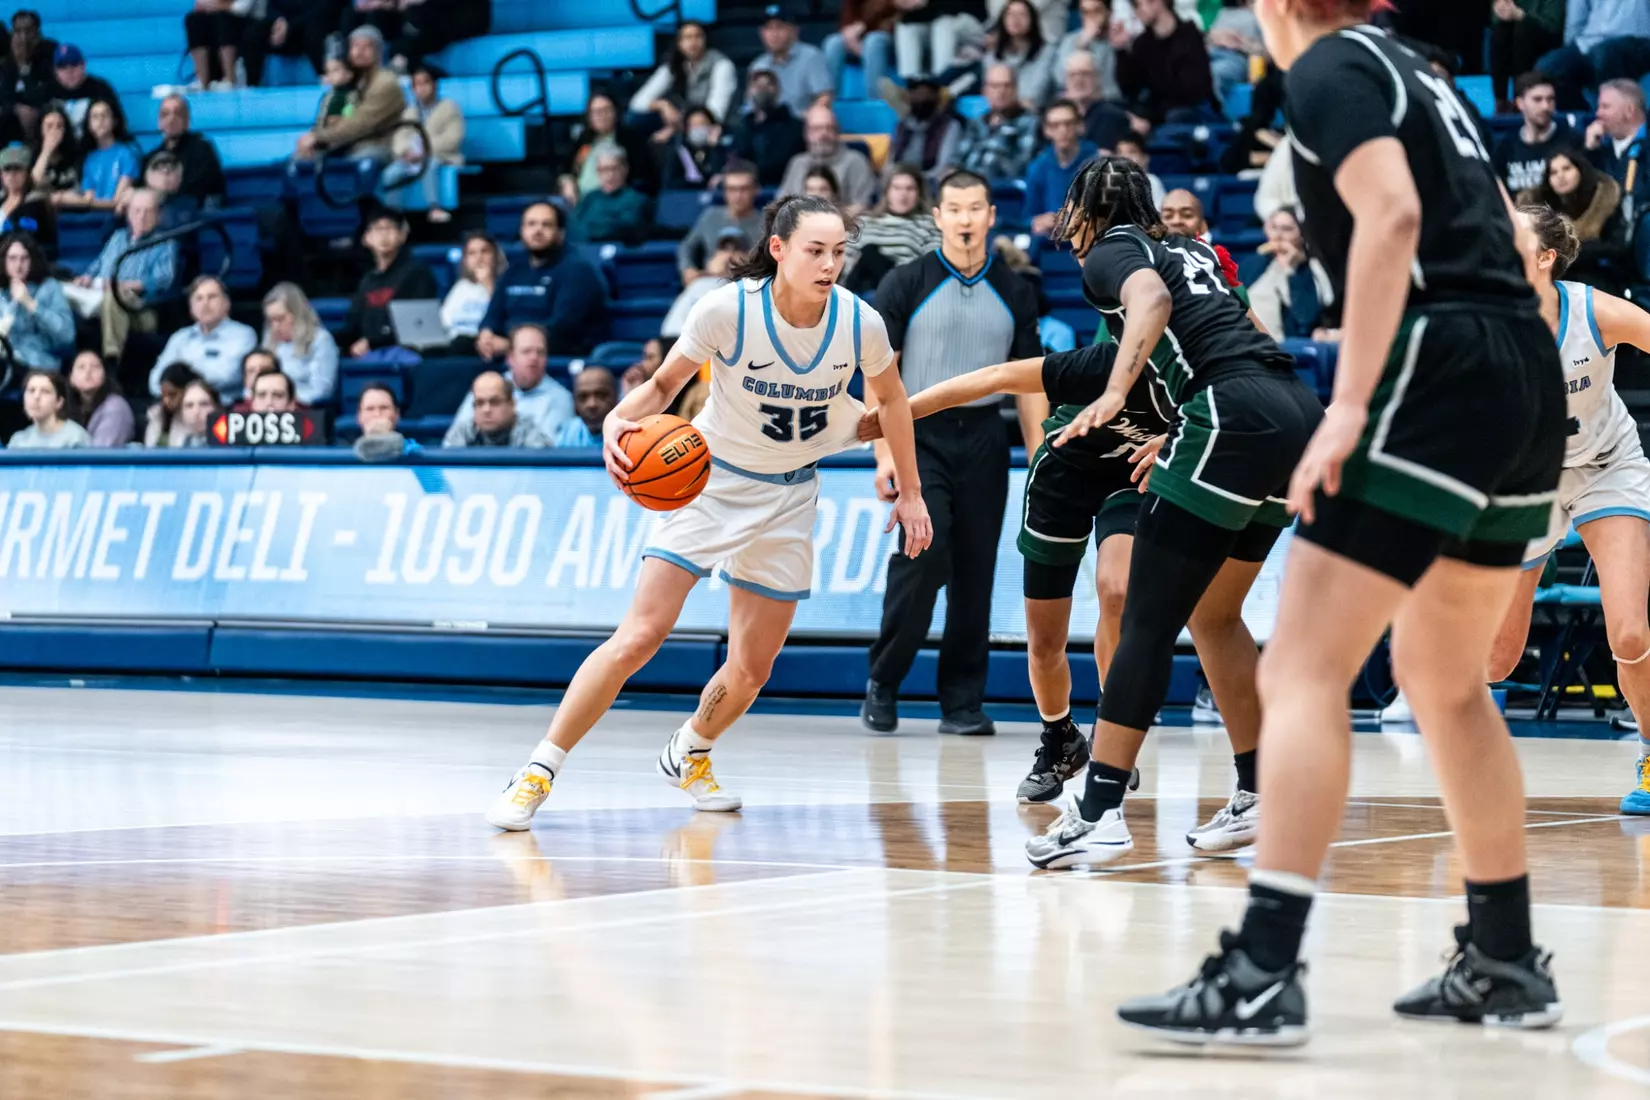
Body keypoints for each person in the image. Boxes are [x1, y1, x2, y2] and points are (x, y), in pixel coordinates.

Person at [1121, 8, 1567, 1046]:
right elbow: (1501, 226)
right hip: (1519, 367)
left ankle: (1263, 969)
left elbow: (1393, 215)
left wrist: (1357, 403)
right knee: (1442, 677)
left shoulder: (1327, 66)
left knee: (1303, 668)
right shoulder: (1421, 71)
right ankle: (1504, 953)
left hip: (1439, 360)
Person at [485, 194, 932, 831]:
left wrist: (909, 489)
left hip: (790, 496)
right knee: (639, 636)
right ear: (778, 250)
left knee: (752, 669)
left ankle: (691, 749)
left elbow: (893, 402)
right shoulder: (727, 311)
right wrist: (619, 417)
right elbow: (666, 385)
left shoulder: (861, 323)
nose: (830, 263)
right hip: (710, 485)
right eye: (815, 250)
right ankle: (536, 772)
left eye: (839, 252)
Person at [1023, 153, 1320, 868]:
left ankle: (1097, 809)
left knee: (1147, 622)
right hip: (1293, 409)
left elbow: (1151, 305)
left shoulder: (1115, 254)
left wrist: (1118, 394)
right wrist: (1182, 422)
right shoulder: (1195, 250)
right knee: (1215, 617)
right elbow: (1246, 331)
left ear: (1086, 216)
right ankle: (1258, 792)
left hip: (1231, 414)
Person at [862, 170, 1044, 737]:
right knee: (925, 558)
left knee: (976, 574)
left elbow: (1030, 384)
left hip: (987, 438)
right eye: (954, 209)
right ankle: (884, 680)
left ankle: (962, 702)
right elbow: (876, 371)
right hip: (918, 434)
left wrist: (1040, 461)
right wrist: (884, 455)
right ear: (936, 217)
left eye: (975, 209)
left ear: (992, 216)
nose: (965, 219)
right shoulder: (905, 282)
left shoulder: (1016, 289)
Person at [1489, 207, 1650, 816]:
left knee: (1629, 631)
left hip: (1607, 467)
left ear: (1545, 258)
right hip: (1527, 484)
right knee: (1497, 660)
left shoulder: (1594, 311)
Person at [476, 201, 607, 359]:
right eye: (531, 224)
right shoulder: (514, 271)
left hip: (555, 357)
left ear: (560, 233)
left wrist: (511, 345)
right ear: (522, 230)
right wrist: (486, 335)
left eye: (546, 225)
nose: (538, 230)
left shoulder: (578, 272)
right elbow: (492, 315)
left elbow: (562, 330)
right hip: (509, 355)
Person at [73, 188, 175, 360]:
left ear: (158, 215)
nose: (141, 217)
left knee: (114, 295)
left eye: (148, 211)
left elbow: (162, 280)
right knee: (58, 288)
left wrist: (122, 285)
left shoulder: (165, 243)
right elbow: (98, 264)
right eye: (136, 211)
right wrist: (87, 277)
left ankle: (111, 358)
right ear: (128, 213)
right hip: (98, 295)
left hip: (139, 309)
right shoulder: (118, 237)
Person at [1517, 150, 1630, 291]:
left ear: (1581, 169)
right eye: (1553, 172)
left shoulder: (1606, 200)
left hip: (1598, 278)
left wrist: (1568, 251)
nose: (1560, 176)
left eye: (1567, 168)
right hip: (1550, 280)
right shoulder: (1536, 207)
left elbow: (1617, 246)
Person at [445, 323, 573, 444]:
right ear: (510, 358)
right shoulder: (486, 387)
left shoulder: (561, 397)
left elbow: (548, 453)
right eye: (526, 351)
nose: (534, 358)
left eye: (540, 352)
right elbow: (454, 440)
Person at [294, 26, 405, 165]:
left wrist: (319, 137)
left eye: (366, 47)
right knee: (299, 161)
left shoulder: (385, 83)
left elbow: (360, 125)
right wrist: (314, 138)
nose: (359, 52)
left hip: (377, 145)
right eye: (355, 46)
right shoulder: (353, 81)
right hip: (347, 144)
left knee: (355, 164)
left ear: (378, 51)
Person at [341, 208, 438, 357]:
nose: (384, 235)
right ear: (366, 238)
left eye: (389, 228)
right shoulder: (368, 281)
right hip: (370, 352)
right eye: (378, 229)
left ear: (402, 235)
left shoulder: (417, 273)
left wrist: (372, 342)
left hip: (405, 353)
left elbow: (416, 325)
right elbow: (354, 324)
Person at [153, 275, 259, 401]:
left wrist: (180, 377)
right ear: (191, 308)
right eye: (199, 298)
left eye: (212, 297)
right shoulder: (180, 337)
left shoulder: (243, 334)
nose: (205, 303)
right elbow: (155, 381)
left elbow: (227, 376)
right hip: (180, 407)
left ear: (226, 303)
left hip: (223, 409)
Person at [628, 20, 737, 140]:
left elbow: (716, 111)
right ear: (679, 43)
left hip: (715, 124)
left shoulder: (722, 65)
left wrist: (677, 129)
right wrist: (662, 105)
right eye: (687, 37)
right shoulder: (674, 65)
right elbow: (637, 103)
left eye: (698, 36)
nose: (693, 42)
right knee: (634, 118)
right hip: (684, 121)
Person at [382, 62, 464, 221]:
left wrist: (424, 150)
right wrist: (406, 151)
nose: (422, 88)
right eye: (417, 85)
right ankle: (394, 215)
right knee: (390, 174)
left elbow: (453, 138)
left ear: (434, 85)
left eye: (425, 83)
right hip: (411, 158)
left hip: (441, 155)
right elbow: (399, 137)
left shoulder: (449, 108)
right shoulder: (409, 111)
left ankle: (434, 207)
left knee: (430, 165)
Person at [1534, 0, 1650, 110]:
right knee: (1549, 66)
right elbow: (1575, 22)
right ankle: (1579, 119)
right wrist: (1570, 52)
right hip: (1590, 42)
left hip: (1639, 40)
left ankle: (1607, 118)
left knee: (1605, 54)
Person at [1113, 0, 1214, 123]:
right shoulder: (1142, 44)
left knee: (1176, 116)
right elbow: (1130, 89)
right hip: (1158, 112)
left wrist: (1150, 118)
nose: (1136, 11)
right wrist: (1121, 50)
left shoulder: (1190, 36)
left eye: (1137, 4)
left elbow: (1191, 93)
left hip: (1193, 114)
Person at [845, 164, 942, 292]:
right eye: (896, 188)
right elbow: (844, 258)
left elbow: (931, 267)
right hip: (858, 287)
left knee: (870, 252)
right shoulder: (865, 222)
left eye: (910, 188)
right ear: (887, 192)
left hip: (902, 288)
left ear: (919, 193)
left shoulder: (930, 224)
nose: (903, 194)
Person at [1244, 208, 1331, 341]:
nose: (1278, 235)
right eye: (1274, 228)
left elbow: (1305, 319)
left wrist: (1291, 270)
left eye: (1287, 229)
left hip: (1284, 347)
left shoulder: (1312, 270)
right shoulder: (1253, 263)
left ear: (1302, 235)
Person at [1025, 98, 1098, 255]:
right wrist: (1038, 221)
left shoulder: (1098, 162)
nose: (1063, 130)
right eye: (1055, 125)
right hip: (1049, 243)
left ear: (1080, 126)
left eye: (1068, 123)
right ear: (1046, 130)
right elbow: (1028, 216)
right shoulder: (1038, 167)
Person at [778, 104, 876, 214]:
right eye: (817, 129)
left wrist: (828, 220)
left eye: (829, 128)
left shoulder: (856, 161)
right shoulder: (797, 163)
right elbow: (782, 204)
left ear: (837, 132)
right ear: (807, 134)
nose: (823, 134)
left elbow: (862, 206)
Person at [678, 164, 764, 285]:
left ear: (756, 190)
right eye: (732, 189)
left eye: (744, 189)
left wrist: (745, 261)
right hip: (709, 281)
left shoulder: (767, 223)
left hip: (749, 285)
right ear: (724, 191)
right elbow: (687, 246)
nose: (738, 196)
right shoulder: (710, 216)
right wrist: (688, 269)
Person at [956, 63, 1040, 182]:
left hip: (1009, 193)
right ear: (985, 90)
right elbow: (958, 160)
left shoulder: (1030, 122)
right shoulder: (975, 122)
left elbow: (1020, 167)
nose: (1001, 92)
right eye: (995, 86)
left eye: (1007, 86)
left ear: (1016, 89)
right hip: (972, 189)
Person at [562, 94, 655, 203]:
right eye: (596, 112)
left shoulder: (630, 139)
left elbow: (644, 177)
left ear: (615, 112)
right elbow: (566, 169)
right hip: (580, 201)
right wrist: (567, 182)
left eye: (606, 110)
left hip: (615, 201)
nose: (601, 116)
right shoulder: (585, 139)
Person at [1493, 72, 1572, 195]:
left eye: (1550, 99)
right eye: (1537, 99)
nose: (1545, 106)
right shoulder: (1505, 149)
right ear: (1520, 103)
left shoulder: (1572, 142)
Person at [0, 230, 69, 370]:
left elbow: (66, 336)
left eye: (24, 258)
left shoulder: (49, 287)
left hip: (37, 363)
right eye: (12, 258)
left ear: (32, 260)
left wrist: (30, 304)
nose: (18, 265)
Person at [142, 95, 226, 208]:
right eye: (165, 114)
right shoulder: (151, 157)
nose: (171, 119)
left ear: (187, 121)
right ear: (159, 122)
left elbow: (200, 189)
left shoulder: (202, 149)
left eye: (178, 114)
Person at [262, 281, 338, 405]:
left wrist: (286, 402)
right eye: (271, 321)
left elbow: (321, 390)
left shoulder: (320, 340)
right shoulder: (269, 341)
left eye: (280, 319)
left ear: (297, 315)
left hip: (306, 410)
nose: (274, 326)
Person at [749, 4, 832, 116]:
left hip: (802, 125)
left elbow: (824, 98)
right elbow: (752, 105)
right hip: (769, 127)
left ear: (794, 31)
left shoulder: (811, 57)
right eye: (768, 28)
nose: (774, 34)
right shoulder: (758, 65)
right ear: (761, 33)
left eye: (779, 27)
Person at [729, 68, 805, 187]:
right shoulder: (741, 126)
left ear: (777, 90)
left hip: (785, 186)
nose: (762, 89)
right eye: (757, 85)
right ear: (748, 91)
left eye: (768, 85)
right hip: (747, 188)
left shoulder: (794, 126)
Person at [663, 226, 745, 337]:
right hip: (677, 340)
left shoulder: (753, 287)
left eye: (736, 249)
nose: (729, 256)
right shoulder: (702, 283)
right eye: (724, 249)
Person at [1584, 78, 1649, 213]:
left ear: (1630, 110)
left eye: (1605, 106)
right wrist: (1589, 152)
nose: (1598, 114)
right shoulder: (1597, 149)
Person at [883, 76, 962, 188]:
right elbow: (891, 160)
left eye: (927, 93)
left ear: (937, 97)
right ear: (909, 96)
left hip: (931, 181)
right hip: (900, 180)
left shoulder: (949, 126)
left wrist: (918, 181)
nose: (922, 98)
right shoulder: (902, 125)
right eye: (917, 93)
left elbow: (943, 165)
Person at [443, 370, 551, 448]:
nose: (486, 410)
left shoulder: (530, 433)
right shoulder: (462, 432)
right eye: (479, 403)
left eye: (494, 402)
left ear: (512, 404)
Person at [241, 0, 337, 87]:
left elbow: (321, 10)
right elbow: (271, 7)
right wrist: (278, 21)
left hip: (306, 27)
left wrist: (289, 25)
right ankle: (252, 84)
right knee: (253, 33)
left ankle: (323, 76)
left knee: (314, 29)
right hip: (281, 30)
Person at [568, 149, 652, 246]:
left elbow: (622, 230)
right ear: (597, 171)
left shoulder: (637, 200)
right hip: (583, 250)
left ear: (625, 169)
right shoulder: (590, 198)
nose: (609, 175)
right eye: (603, 170)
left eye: (614, 168)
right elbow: (573, 226)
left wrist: (588, 229)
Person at [1491, 2, 1565, 112]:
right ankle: (1501, 100)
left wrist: (1522, 16)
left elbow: (1553, 24)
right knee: (1500, 32)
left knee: (1523, 31)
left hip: (1547, 32)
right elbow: (1497, 13)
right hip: (1518, 26)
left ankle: (1520, 99)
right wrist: (1500, 10)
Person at [65, 98, 135, 209]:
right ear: (89, 125)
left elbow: (117, 202)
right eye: (95, 117)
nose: (100, 120)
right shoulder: (89, 158)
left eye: (105, 115)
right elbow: (89, 196)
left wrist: (75, 201)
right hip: (94, 216)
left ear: (114, 121)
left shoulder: (127, 154)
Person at [984, 0, 1056, 108]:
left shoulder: (1046, 52)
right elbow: (990, 97)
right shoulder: (991, 56)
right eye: (1010, 14)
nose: (1015, 19)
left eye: (1022, 15)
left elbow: (1035, 96)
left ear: (1032, 19)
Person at [441, 231, 503, 350]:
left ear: (495, 256)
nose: (479, 258)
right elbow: (444, 322)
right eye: (472, 253)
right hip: (455, 343)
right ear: (465, 260)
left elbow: (502, 316)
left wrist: (487, 283)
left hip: (484, 343)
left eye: (485, 251)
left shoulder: (504, 283)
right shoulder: (461, 286)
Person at [1060, 48, 1130, 152]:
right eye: (1072, 75)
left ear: (1098, 78)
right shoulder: (1056, 116)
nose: (1078, 80)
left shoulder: (1111, 116)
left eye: (1085, 74)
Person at [0, 11, 56, 141]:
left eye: (28, 30)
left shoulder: (49, 53)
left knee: (32, 115)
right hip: (13, 116)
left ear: (38, 32)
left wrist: (23, 65)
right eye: (18, 31)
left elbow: (43, 96)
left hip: (42, 112)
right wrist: (15, 108)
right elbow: (5, 95)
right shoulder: (8, 60)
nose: (23, 37)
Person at [824, 0, 897, 97]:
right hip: (859, 40)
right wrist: (852, 40)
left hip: (889, 37)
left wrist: (864, 24)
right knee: (833, 43)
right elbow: (847, 24)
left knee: (873, 42)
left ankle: (875, 101)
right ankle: (827, 101)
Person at [1055, 0, 1122, 101]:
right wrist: (1083, 44)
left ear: (1109, 12)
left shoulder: (1118, 39)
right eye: (1085, 12)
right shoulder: (1071, 40)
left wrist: (1121, 47)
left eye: (1096, 11)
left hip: (1108, 101)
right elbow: (1060, 78)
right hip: (1076, 102)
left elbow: (1111, 82)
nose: (1091, 17)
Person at [66, 348, 133, 447]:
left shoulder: (115, 407)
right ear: (71, 378)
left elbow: (102, 454)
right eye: (81, 367)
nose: (88, 371)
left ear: (104, 375)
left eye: (95, 367)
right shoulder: (68, 406)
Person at [50, 45, 118, 141]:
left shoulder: (100, 89)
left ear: (84, 65)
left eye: (74, 64)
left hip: (95, 148)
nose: (69, 71)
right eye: (63, 66)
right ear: (55, 71)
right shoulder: (47, 92)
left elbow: (117, 124)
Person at [185, 0, 257, 91]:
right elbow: (200, 4)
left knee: (224, 20)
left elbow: (241, 9)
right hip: (215, 17)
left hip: (246, 20)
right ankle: (202, 81)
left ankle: (230, 79)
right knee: (194, 20)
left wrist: (217, 6)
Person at [10, 367, 89, 448]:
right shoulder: (18, 440)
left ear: (59, 402)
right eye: (31, 390)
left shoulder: (76, 438)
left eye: (45, 391)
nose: (36, 396)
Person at [658, 105, 730, 192]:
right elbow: (669, 182)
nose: (699, 128)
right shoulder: (678, 151)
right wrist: (702, 183)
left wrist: (714, 147)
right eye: (694, 125)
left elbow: (718, 175)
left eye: (703, 124)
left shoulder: (720, 150)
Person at [1206, 0, 1265, 103]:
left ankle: (1211, 112)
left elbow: (1268, 53)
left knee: (1213, 75)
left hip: (1235, 57)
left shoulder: (1263, 17)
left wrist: (1244, 44)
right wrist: (1212, 37)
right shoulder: (1224, 13)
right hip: (1210, 53)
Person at [0, 144, 52, 255]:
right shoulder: (1, 200)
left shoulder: (36, 203)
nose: (12, 174)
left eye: (17, 169)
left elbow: (25, 237)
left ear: (27, 173)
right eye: (7, 169)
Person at [554, 366, 618, 447]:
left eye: (601, 395)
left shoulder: (630, 432)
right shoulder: (568, 432)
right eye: (583, 397)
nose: (592, 404)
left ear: (616, 398)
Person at [144, 361, 201, 447]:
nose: (166, 401)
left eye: (172, 394)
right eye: (163, 395)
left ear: (188, 390)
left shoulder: (200, 417)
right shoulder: (156, 416)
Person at [30, 102, 77, 204]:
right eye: (49, 126)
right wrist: (47, 151)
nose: (54, 131)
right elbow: (32, 183)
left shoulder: (74, 154)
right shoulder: (31, 155)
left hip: (73, 208)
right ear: (41, 128)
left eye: (59, 126)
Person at [1114, 134, 1165, 207]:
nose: (1125, 157)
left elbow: (1158, 215)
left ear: (1145, 158)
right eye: (1120, 152)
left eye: (1131, 152)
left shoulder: (1152, 182)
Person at [170, 376, 220, 448]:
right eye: (189, 406)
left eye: (204, 404)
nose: (196, 412)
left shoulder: (232, 448)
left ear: (216, 408)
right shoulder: (175, 447)